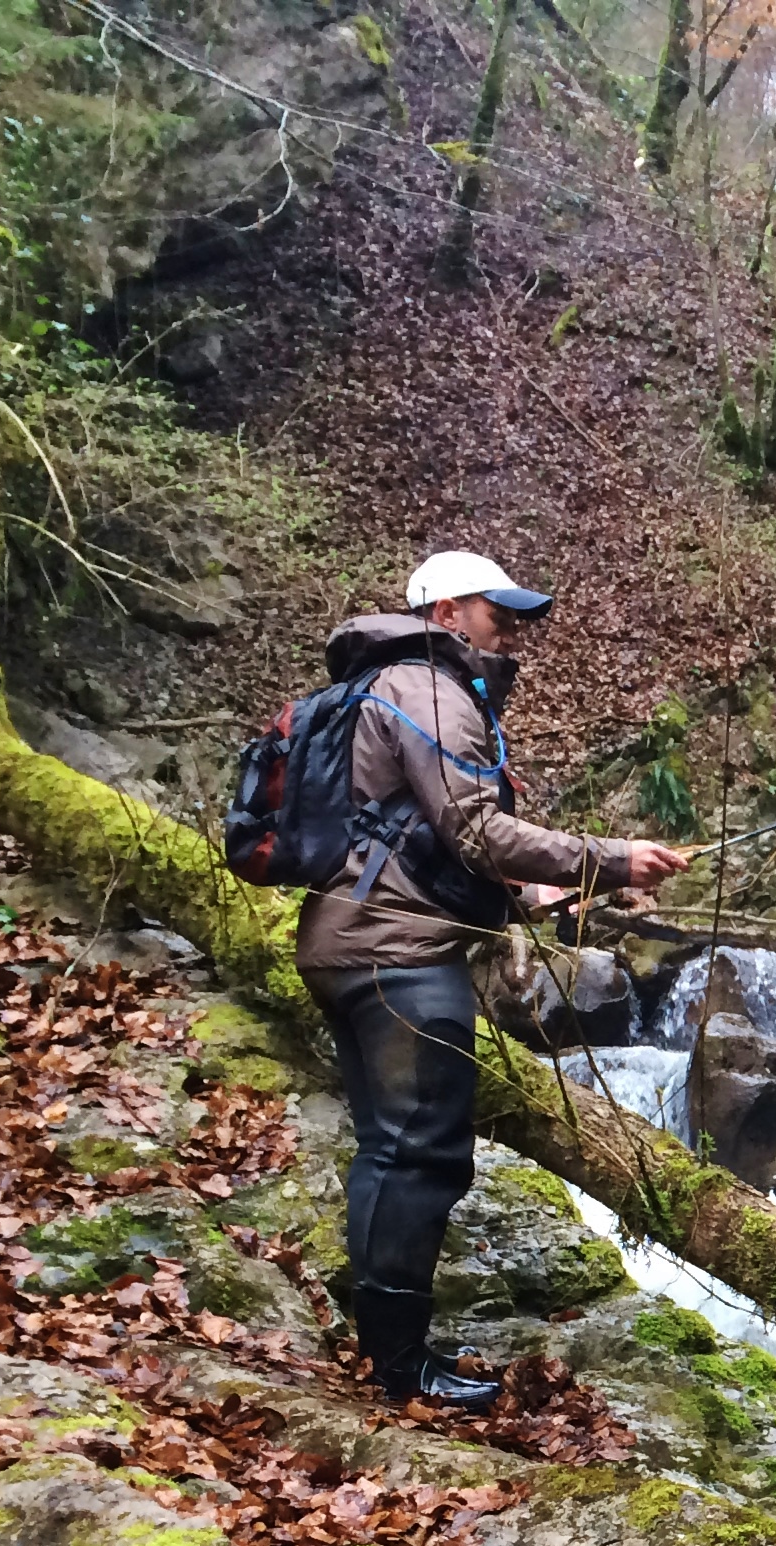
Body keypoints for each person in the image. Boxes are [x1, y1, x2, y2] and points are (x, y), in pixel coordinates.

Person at [294, 550, 694, 1411]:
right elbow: (478, 831)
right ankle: (398, 1370)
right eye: (495, 609)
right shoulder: (430, 687)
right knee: (421, 1156)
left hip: (361, 942)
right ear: (445, 612)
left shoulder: (393, 687)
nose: (510, 627)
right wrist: (611, 858)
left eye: (515, 614)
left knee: (392, 1151)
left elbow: (428, 852)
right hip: (393, 955)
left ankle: (384, 1352)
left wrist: (555, 891)